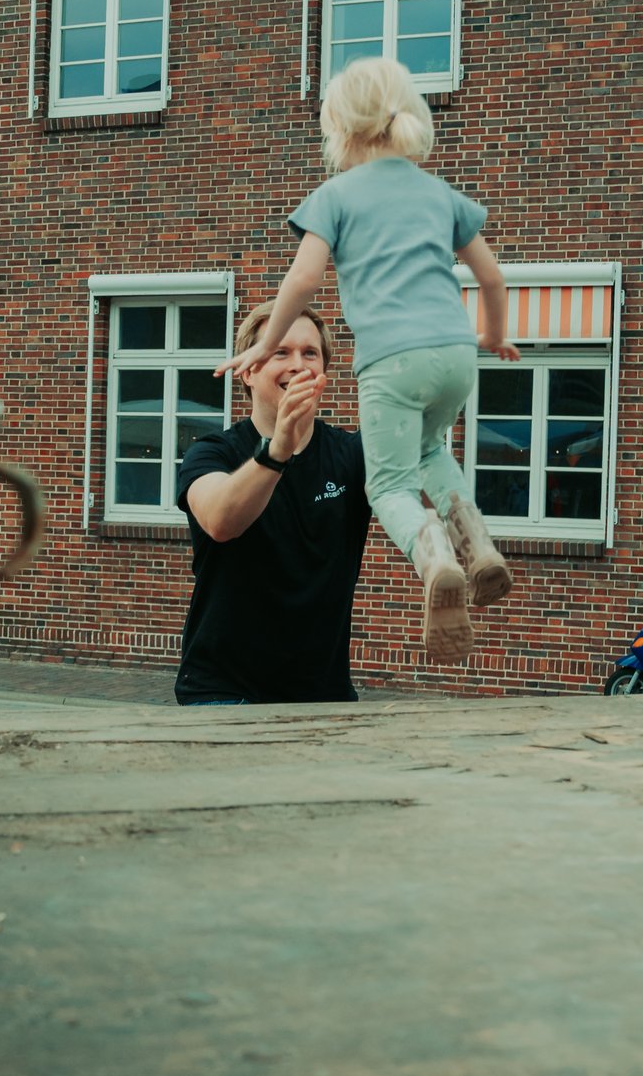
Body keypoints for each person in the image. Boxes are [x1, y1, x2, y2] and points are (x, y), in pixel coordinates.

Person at [214, 55, 519, 662]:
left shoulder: (335, 196)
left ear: (340, 130)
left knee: (388, 486)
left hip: (393, 361)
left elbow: (302, 283)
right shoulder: (440, 193)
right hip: (457, 354)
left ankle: (434, 557)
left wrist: (266, 343)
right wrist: (493, 336)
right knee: (433, 450)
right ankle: (478, 545)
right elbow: (490, 275)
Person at [174, 301, 371, 705]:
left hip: (325, 699)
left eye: (309, 353)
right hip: (224, 694)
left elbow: (417, 494)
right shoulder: (212, 453)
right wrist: (277, 450)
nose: (298, 364)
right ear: (248, 369)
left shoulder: (353, 455)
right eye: (280, 352)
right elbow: (220, 520)